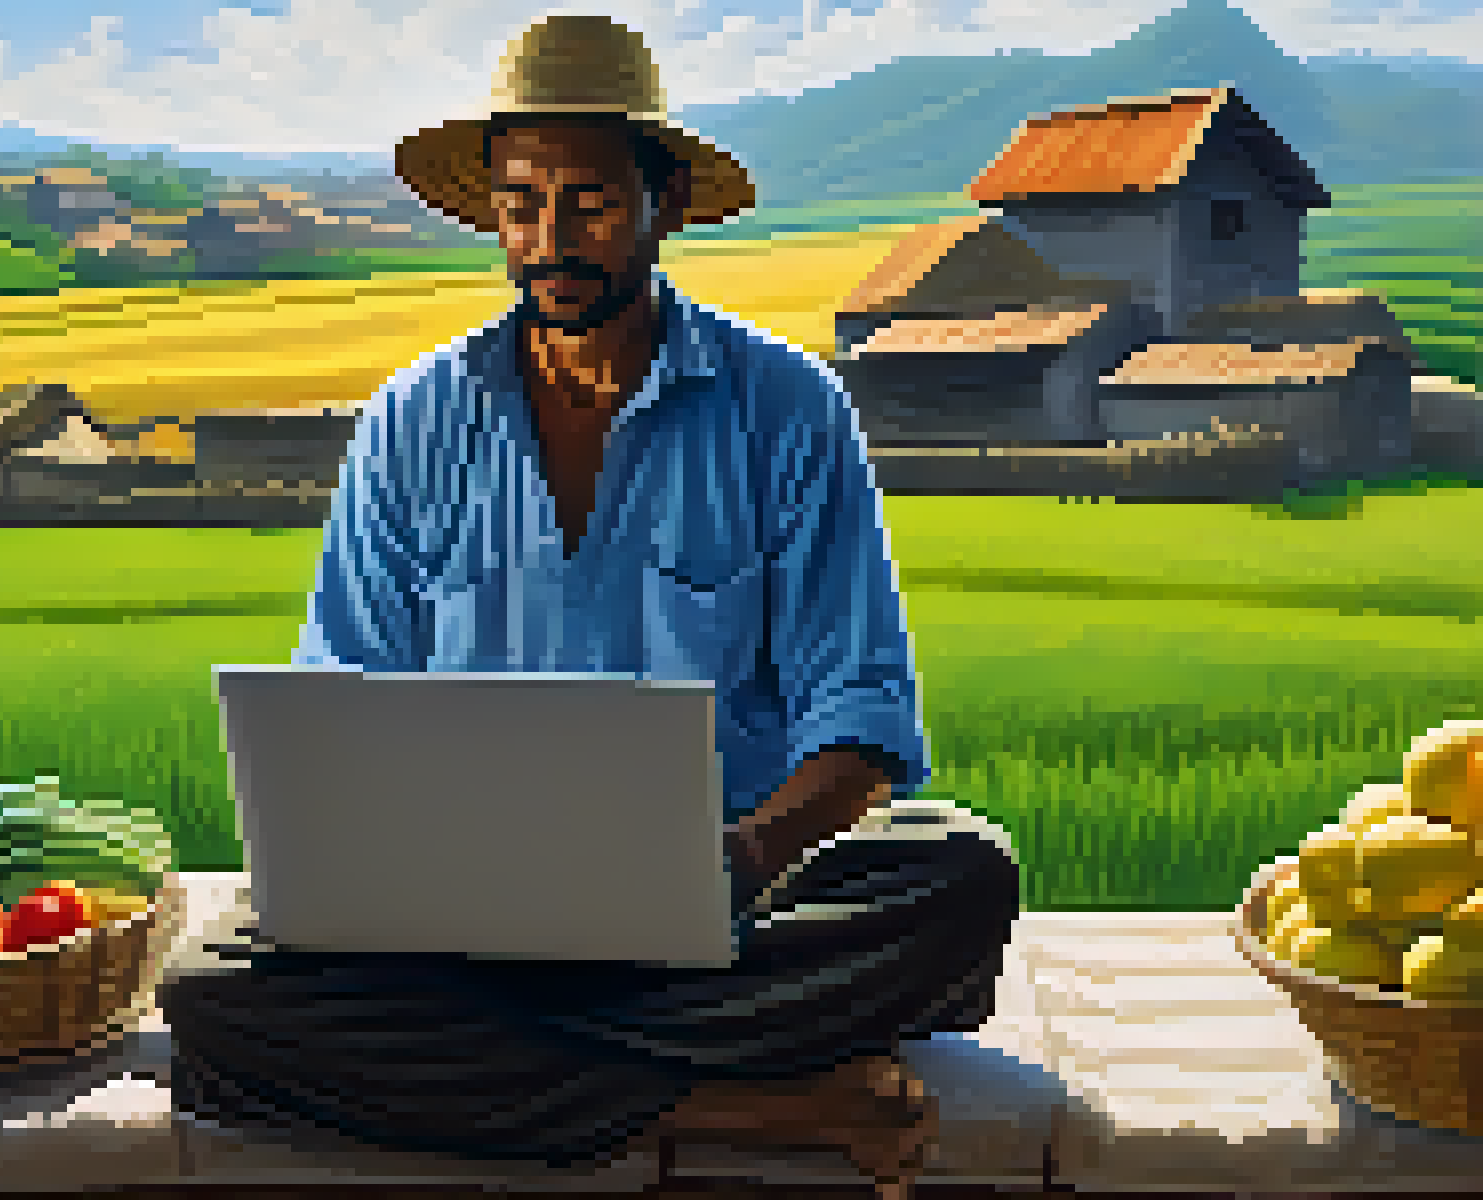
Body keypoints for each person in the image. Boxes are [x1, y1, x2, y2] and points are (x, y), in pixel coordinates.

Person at [157, 14, 1023, 1199]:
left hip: (723, 912)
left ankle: (504, 1074)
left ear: (663, 200)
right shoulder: (412, 423)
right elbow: (337, 704)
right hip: (458, 928)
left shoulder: (788, 411)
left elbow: (862, 721)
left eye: (591, 203)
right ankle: (743, 1101)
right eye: (522, 205)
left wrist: (748, 853)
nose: (551, 240)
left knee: (961, 874)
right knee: (211, 998)